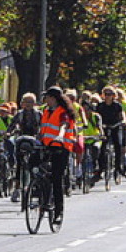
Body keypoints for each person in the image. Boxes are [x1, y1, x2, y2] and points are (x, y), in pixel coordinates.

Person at [38, 86, 76, 223]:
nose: (45, 99)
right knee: (36, 167)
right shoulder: (46, 111)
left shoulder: (63, 112)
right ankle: (39, 193)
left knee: (56, 179)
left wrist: (60, 136)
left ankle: (58, 212)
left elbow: (64, 125)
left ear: (53, 98)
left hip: (61, 148)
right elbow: (43, 129)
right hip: (47, 146)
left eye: (47, 97)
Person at [95, 85, 125, 177]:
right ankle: (101, 168)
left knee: (118, 145)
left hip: (115, 126)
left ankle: (118, 166)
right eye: (106, 94)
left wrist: (122, 122)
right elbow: (96, 117)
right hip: (104, 127)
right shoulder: (100, 105)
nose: (108, 96)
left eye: (110, 94)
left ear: (113, 95)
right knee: (102, 147)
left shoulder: (117, 105)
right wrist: (100, 126)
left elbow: (121, 117)